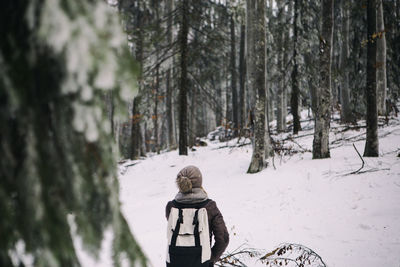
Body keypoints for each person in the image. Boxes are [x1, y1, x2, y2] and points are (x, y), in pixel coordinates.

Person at [165, 165, 229, 267]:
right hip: (201, 262)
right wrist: (211, 258)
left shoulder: (171, 207)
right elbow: (223, 238)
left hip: (174, 261)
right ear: (199, 183)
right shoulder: (210, 207)